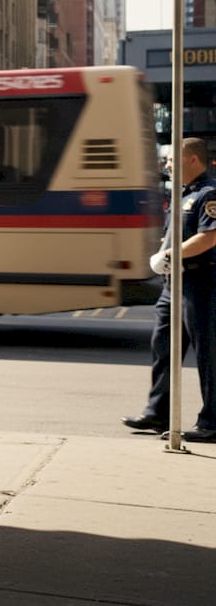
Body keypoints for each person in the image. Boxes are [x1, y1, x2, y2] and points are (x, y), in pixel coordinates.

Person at [124, 137, 216, 442]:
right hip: (173, 284)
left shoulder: (208, 194)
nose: (166, 164)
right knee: (163, 348)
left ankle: (212, 423)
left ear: (192, 160)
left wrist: (169, 255)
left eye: (172, 159)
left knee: (208, 354)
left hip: (201, 283)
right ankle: (157, 412)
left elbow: (209, 236)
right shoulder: (181, 194)